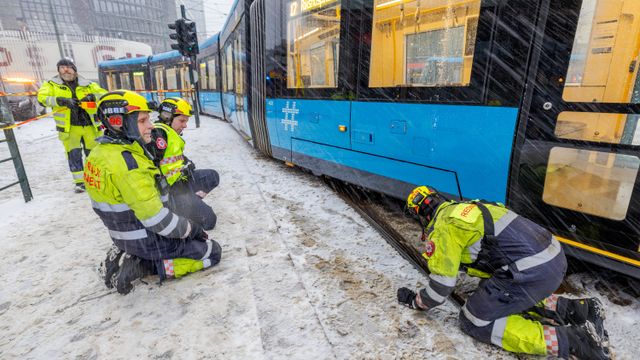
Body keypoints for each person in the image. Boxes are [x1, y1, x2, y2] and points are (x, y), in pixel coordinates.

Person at [397, 185, 610, 360]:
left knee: (474, 319)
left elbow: (441, 289)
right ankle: (580, 310)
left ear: (422, 217)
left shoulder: (444, 227)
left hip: (532, 271)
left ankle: (573, 341)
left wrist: (416, 302)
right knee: (498, 291)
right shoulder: (471, 206)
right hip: (553, 259)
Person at [84, 90, 222, 295]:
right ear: (118, 121)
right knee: (212, 251)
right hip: (146, 237)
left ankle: (130, 252)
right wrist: (191, 229)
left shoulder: (98, 154)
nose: (150, 125)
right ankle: (147, 266)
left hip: (124, 232)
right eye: (142, 120)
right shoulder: (128, 164)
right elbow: (158, 220)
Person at [146, 97, 219, 230]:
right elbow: (152, 165)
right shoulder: (158, 133)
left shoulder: (169, 132)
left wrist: (186, 163)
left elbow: (172, 157)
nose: (185, 125)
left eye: (186, 121)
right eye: (182, 121)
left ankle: (189, 204)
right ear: (168, 116)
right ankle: (180, 208)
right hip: (172, 191)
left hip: (182, 182)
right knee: (209, 221)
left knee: (212, 176)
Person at [37, 57, 107, 192]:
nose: (65, 70)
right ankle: (80, 182)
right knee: (74, 154)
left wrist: (92, 97)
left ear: (74, 69)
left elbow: (102, 94)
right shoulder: (51, 84)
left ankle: (94, 178)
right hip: (70, 127)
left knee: (93, 154)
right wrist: (60, 100)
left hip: (89, 125)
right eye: (62, 68)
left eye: (68, 67)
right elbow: (42, 98)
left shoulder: (87, 84)